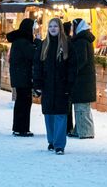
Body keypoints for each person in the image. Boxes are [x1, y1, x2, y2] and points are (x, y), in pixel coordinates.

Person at [33, 18, 75, 155]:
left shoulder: (67, 44)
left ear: (60, 28)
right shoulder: (44, 44)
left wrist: (69, 84)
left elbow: (72, 67)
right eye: (50, 26)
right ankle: (51, 140)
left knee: (61, 115)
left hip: (62, 86)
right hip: (47, 85)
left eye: (55, 26)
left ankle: (59, 145)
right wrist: (37, 84)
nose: (53, 28)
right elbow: (38, 66)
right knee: (49, 115)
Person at [7, 18, 36, 137]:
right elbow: (32, 55)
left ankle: (19, 127)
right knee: (24, 102)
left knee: (21, 101)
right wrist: (37, 44)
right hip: (23, 76)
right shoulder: (23, 42)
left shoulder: (18, 40)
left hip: (19, 76)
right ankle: (22, 128)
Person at [70, 18, 96, 139]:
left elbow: (81, 60)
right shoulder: (85, 40)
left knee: (81, 107)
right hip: (85, 80)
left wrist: (72, 70)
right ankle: (79, 129)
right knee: (82, 106)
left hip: (82, 81)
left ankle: (86, 131)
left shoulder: (81, 41)